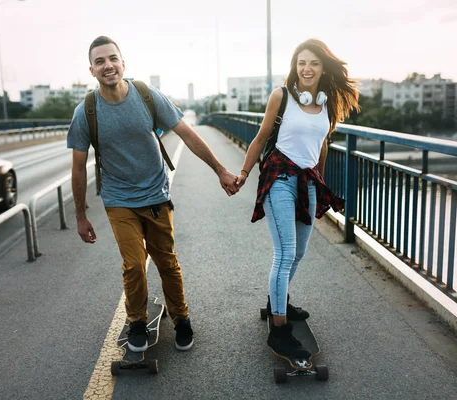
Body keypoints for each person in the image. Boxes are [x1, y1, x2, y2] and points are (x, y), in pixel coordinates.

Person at [67, 36, 238, 353]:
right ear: (91, 70)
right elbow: (77, 168)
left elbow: (187, 134)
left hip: (156, 194)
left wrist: (220, 170)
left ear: (123, 63)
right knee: (133, 264)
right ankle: (136, 322)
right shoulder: (86, 112)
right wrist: (80, 215)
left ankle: (181, 318)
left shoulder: (146, 96)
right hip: (119, 199)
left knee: (166, 262)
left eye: (112, 58)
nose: (108, 66)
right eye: (100, 61)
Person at [235, 38, 359, 358]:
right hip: (279, 178)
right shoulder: (282, 96)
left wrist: (319, 177)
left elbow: (323, 144)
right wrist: (244, 174)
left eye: (314, 63)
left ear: (322, 68)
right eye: (302, 62)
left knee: (300, 251)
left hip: (308, 181)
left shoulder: (326, 101)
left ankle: (277, 300)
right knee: (286, 253)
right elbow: (261, 137)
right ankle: (279, 330)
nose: (307, 68)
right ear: (295, 66)